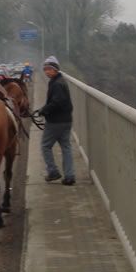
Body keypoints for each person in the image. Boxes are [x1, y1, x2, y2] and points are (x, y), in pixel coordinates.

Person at [37, 56, 75, 185]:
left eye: (49, 69)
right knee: (66, 147)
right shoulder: (59, 80)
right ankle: (69, 176)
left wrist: (43, 110)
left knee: (45, 146)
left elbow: (57, 102)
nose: (47, 71)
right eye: (45, 69)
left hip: (55, 122)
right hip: (66, 120)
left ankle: (53, 171)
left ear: (56, 69)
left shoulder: (57, 84)